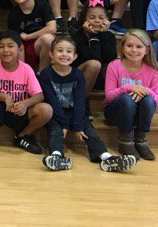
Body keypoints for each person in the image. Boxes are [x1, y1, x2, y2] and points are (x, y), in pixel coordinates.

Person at [38, 35, 135, 173]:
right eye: (60, 51)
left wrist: (78, 125)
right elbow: (52, 100)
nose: (64, 54)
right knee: (56, 131)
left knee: (88, 131)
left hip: (75, 111)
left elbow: (80, 100)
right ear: (51, 54)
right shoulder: (45, 75)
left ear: (75, 56)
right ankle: (57, 156)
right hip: (56, 112)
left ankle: (106, 158)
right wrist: (64, 124)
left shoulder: (77, 75)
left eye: (69, 51)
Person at [0, 30, 52, 154]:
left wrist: (26, 103)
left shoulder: (26, 69)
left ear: (20, 49)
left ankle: (23, 136)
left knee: (46, 109)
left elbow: (39, 95)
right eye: (1, 46)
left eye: (10, 46)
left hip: (20, 110)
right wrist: (4, 97)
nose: (6, 50)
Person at [104, 29, 158, 161]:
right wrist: (129, 87)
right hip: (115, 113)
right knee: (127, 99)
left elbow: (157, 101)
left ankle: (141, 140)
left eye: (139, 46)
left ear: (146, 50)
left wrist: (145, 91)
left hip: (138, 116)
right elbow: (109, 96)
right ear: (122, 48)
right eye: (129, 46)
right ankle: (125, 141)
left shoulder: (152, 72)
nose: (134, 50)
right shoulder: (114, 66)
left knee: (148, 100)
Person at [6, 0, 56, 71]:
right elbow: (16, 39)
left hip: (40, 43)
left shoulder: (43, 6)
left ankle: (42, 75)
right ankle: (24, 75)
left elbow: (52, 28)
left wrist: (29, 36)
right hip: (24, 48)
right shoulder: (13, 14)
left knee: (48, 38)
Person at [71, 1, 118, 94]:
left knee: (113, 63)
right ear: (84, 20)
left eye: (101, 18)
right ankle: (82, 101)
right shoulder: (76, 36)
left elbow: (110, 57)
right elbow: (93, 57)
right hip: (78, 76)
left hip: (100, 78)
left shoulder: (109, 36)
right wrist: (94, 36)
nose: (97, 21)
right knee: (94, 64)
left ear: (107, 20)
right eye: (92, 17)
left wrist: (103, 34)